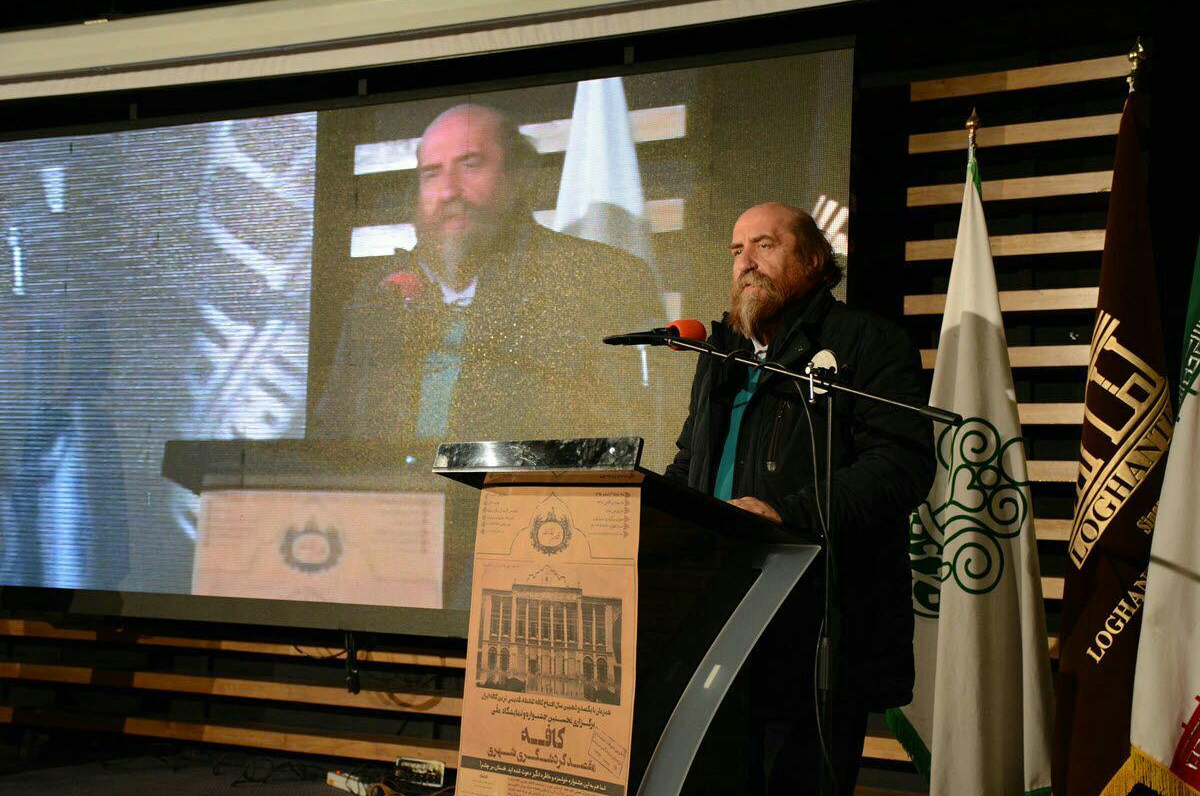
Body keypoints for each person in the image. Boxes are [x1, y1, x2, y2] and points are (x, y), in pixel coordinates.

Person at [664, 202, 935, 795]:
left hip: (814, 625)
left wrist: (787, 513)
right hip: (719, 617)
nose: (746, 262)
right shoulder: (721, 352)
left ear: (813, 261)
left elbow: (901, 465)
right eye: (737, 250)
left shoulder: (865, 342)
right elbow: (690, 463)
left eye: (764, 245)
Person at [312, 103, 664, 444]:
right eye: (432, 173)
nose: (448, 191)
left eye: (470, 164)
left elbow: (633, 438)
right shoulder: (377, 293)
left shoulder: (601, 280)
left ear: (519, 176)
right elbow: (333, 437)